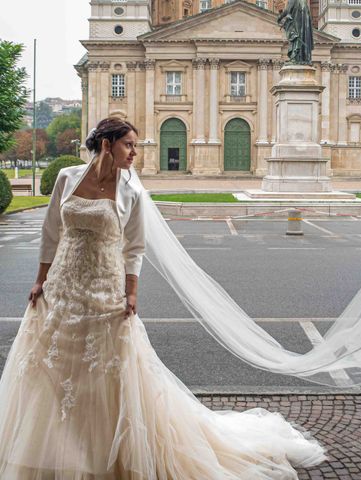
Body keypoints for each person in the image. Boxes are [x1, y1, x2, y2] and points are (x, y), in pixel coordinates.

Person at [0, 118, 326, 479]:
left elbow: (134, 248)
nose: (135, 153)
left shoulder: (132, 192)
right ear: (107, 144)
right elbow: (51, 233)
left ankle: (107, 453)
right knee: (54, 367)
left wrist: (132, 291)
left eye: (135, 146)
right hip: (63, 286)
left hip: (105, 289)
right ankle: (60, 448)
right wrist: (39, 280)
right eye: (129, 145)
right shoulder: (67, 178)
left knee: (107, 372)